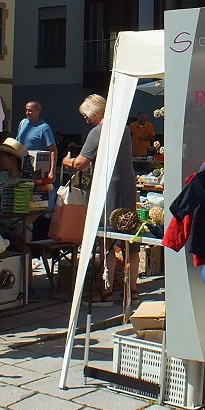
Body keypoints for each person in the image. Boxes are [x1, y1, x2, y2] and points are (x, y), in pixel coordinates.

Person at [62, 94, 137, 302]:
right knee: (130, 238)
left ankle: (107, 289)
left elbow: (80, 164)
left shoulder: (98, 131)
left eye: (86, 116)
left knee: (106, 239)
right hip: (128, 185)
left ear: (96, 112)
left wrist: (66, 161)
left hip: (109, 187)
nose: (85, 120)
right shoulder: (124, 128)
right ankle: (133, 289)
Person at [16, 101, 58, 181]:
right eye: (26, 110)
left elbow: (53, 150)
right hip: (21, 166)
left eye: (30, 110)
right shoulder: (23, 123)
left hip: (37, 169)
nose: (27, 113)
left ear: (37, 111)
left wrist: (52, 171)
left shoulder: (44, 128)